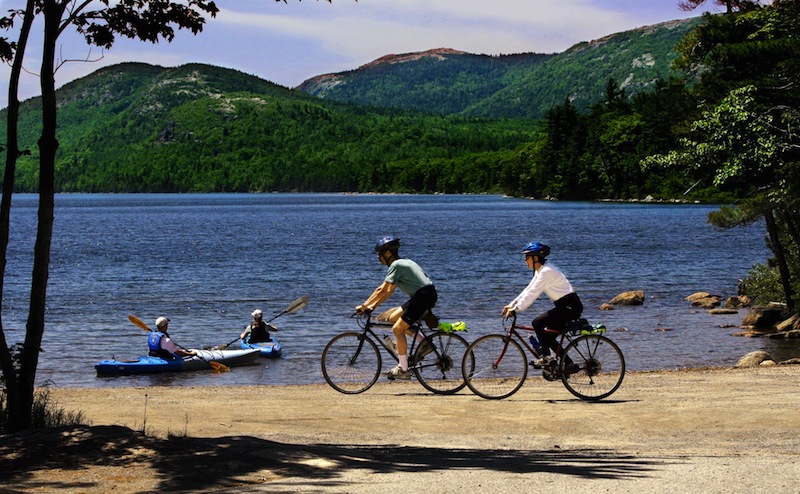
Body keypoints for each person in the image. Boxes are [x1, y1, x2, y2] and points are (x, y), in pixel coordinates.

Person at [355, 237, 437, 381]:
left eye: (379, 254)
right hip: (425, 294)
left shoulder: (396, 265)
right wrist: (370, 306)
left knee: (397, 329)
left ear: (387, 254)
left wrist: (366, 306)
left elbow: (383, 290)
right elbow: (386, 290)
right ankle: (425, 344)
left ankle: (403, 368)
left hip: (422, 296)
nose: (378, 258)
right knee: (393, 319)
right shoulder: (405, 262)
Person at [502, 241, 583, 372]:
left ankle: (546, 357)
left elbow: (533, 293)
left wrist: (517, 309)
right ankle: (568, 364)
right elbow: (528, 289)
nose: (525, 261)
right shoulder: (540, 271)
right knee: (548, 337)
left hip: (569, 307)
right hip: (565, 306)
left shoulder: (546, 272)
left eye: (526, 257)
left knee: (537, 323)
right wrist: (512, 304)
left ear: (535, 258)